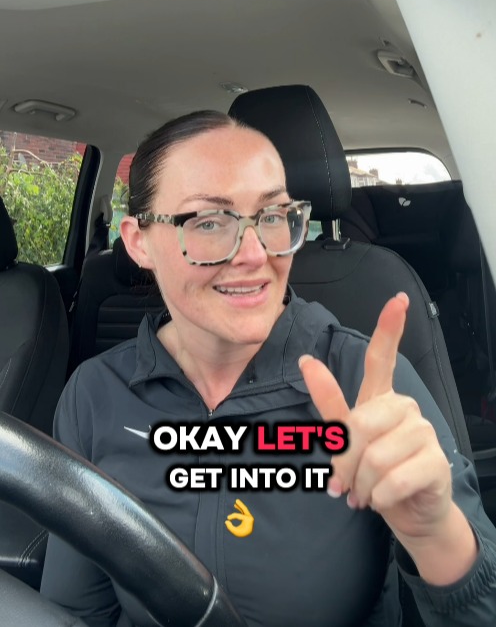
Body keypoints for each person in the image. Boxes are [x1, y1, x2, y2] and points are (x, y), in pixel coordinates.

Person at [41, 110, 496, 627]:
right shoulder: (95, 395)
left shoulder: (361, 382)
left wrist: (435, 534)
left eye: (273, 215)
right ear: (138, 241)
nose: (256, 254)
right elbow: (74, 610)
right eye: (209, 222)